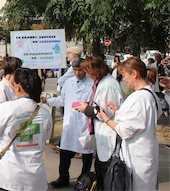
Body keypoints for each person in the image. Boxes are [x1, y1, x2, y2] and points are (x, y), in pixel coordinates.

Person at [97, 57, 161, 190]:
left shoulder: (138, 98)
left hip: (137, 157)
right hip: (146, 153)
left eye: (125, 75)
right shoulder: (151, 94)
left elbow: (125, 131)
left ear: (134, 74)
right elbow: (141, 118)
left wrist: (106, 119)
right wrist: (119, 112)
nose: (124, 79)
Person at [0, 68, 52, 191]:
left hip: (9, 176)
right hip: (36, 178)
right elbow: (46, 138)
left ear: (19, 87)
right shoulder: (45, 113)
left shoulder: (7, 108)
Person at [73, 55, 124, 188]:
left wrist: (87, 109)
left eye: (89, 72)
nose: (88, 75)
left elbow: (104, 113)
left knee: (107, 174)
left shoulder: (108, 85)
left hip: (109, 134)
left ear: (97, 70)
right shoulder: (101, 83)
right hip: (103, 134)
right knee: (101, 170)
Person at [42, 58, 94, 188]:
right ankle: (63, 178)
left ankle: (84, 180)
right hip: (70, 123)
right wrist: (48, 101)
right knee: (65, 154)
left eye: (80, 70)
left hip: (84, 124)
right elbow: (63, 100)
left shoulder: (92, 84)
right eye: (75, 70)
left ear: (86, 70)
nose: (77, 73)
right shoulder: (69, 83)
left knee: (86, 155)